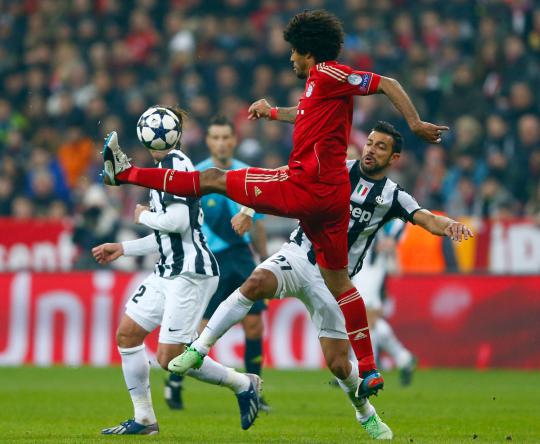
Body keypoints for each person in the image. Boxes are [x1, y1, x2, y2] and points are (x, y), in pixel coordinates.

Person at [101, 10, 449, 397]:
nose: (290, 59)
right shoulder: (321, 88)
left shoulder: (330, 74)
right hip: (333, 198)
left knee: (213, 179)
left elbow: (387, 82)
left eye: (294, 52)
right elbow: (305, 115)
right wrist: (271, 113)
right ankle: (368, 369)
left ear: (308, 52)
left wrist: (416, 124)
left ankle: (125, 174)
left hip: (303, 187)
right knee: (340, 282)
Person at [161, 121, 473, 439]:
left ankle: (366, 413)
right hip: (299, 254)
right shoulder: (335, 169)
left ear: (394, 159)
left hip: (334, 280)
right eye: (370, 143)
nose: (372, 150)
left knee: (339, 364)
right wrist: (248, 210)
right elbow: (280, 177)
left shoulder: (393, 196)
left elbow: (426, 218)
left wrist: (450, 225)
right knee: (255, 282)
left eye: (381, 147)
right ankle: (199, 348)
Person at [92, 106, 261, 435]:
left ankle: (243, 383)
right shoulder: (163, 169)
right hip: (168, 270)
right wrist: (124, 248)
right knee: (128, 335)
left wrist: (140, 215)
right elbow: (165, 234)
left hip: (191, 272)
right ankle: (144, 419)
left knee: (171, 358)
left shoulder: (175, 165)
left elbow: (177, 221)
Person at [165, 115, 270, 411]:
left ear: (234, 140)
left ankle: (255, 391)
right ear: (209, 141)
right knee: (202, 327)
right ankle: (174, 381)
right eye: (216, 138)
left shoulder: (247, 174)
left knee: (254, 326)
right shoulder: (197, 176)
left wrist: (263, 258)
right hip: (209, 261)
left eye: (226, 137)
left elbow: (258, 222)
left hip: (244, 257)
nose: (222, 143)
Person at [351, 219, 417, 385]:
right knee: (370, 327)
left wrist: (390, 247)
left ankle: (361, 371)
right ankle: (404, 358)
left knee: (362, 326)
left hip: (369, 287)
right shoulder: (365, 227)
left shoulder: (384, 228)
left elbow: (396, 269)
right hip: (360, 283)